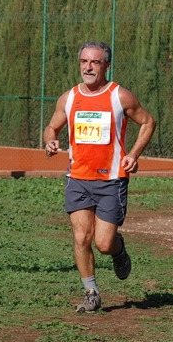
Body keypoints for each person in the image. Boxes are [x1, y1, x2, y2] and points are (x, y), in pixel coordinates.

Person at [43, 41, 156, 312]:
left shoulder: (120, 96)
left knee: (103, 243)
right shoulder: (69, 98)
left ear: (106, 65)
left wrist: (134, 154)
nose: (88, 67)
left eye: (94, 62)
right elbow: (52, 126)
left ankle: (118, 250)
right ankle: (91, 292)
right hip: (78, 178)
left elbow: (148, 122)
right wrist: (50, 141)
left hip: (111, 180)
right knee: (81, 237)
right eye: (84, 61)